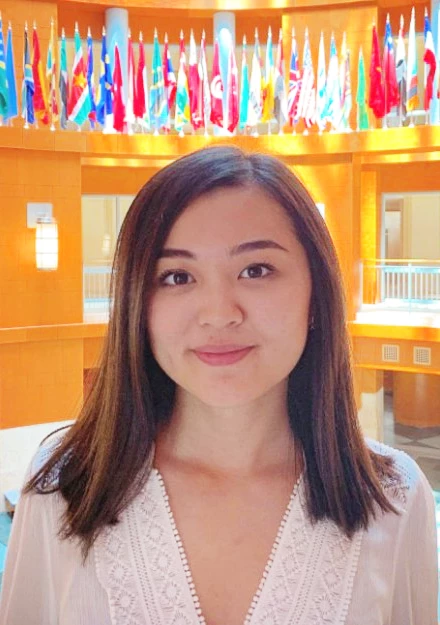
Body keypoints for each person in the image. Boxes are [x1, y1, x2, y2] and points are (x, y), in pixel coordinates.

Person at [0, 146, 437, 625]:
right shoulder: (66, 485)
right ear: (137, 306)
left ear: (316, 296)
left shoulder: (392, 495)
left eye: (256, 270)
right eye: (177, 276)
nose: (219, 313)